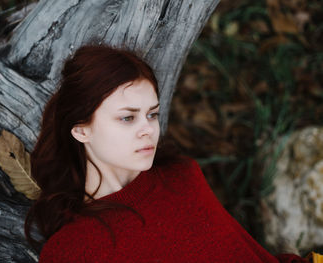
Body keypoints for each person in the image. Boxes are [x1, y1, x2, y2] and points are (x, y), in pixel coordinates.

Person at [25, 45, 308, 262]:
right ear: (81, 131)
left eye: (152, 114)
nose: (148, 129)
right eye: (127, 118)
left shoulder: (182, 178)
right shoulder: (69, 251)